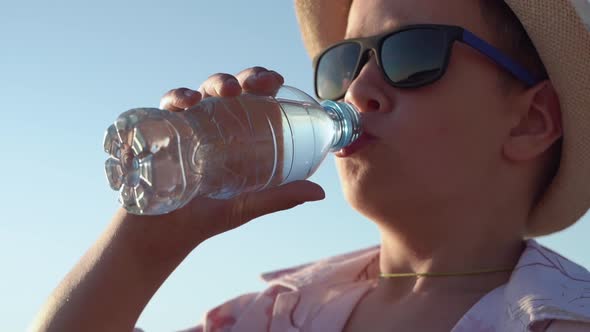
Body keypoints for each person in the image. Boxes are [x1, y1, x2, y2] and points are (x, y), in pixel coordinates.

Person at [31, 0, 590, 331]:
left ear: (530, 121)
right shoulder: (272, 316)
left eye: (414, 54)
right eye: (344, 63)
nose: (357, 90)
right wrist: (143, 247)